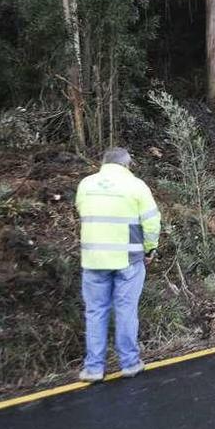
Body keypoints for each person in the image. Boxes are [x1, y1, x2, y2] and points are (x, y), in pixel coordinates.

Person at [75, 147, 160, 382]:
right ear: (127, 164)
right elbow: (152, 223)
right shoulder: (136, 186)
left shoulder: (86, 184)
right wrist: (150, 248)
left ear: (103, 163)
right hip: (128, 260)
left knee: (95, 311)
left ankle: (93, 368)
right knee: (125, 310)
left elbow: (83, 211)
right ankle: (130, 363)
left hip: (93, 260)